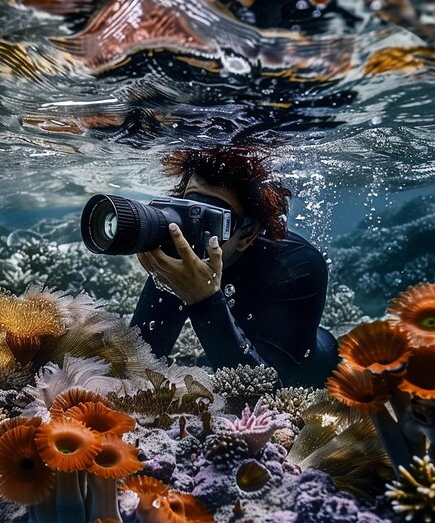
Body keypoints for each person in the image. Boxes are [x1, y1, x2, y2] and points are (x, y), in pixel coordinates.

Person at [130, 145, 339, 388]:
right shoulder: (182, 248)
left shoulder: (299, 264)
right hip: (234, 353)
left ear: (248, 233)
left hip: (315, 371)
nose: (193, 232)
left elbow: (269, 392)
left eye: (213, 220)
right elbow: (141, 359)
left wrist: (203, 298)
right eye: (190, 212)